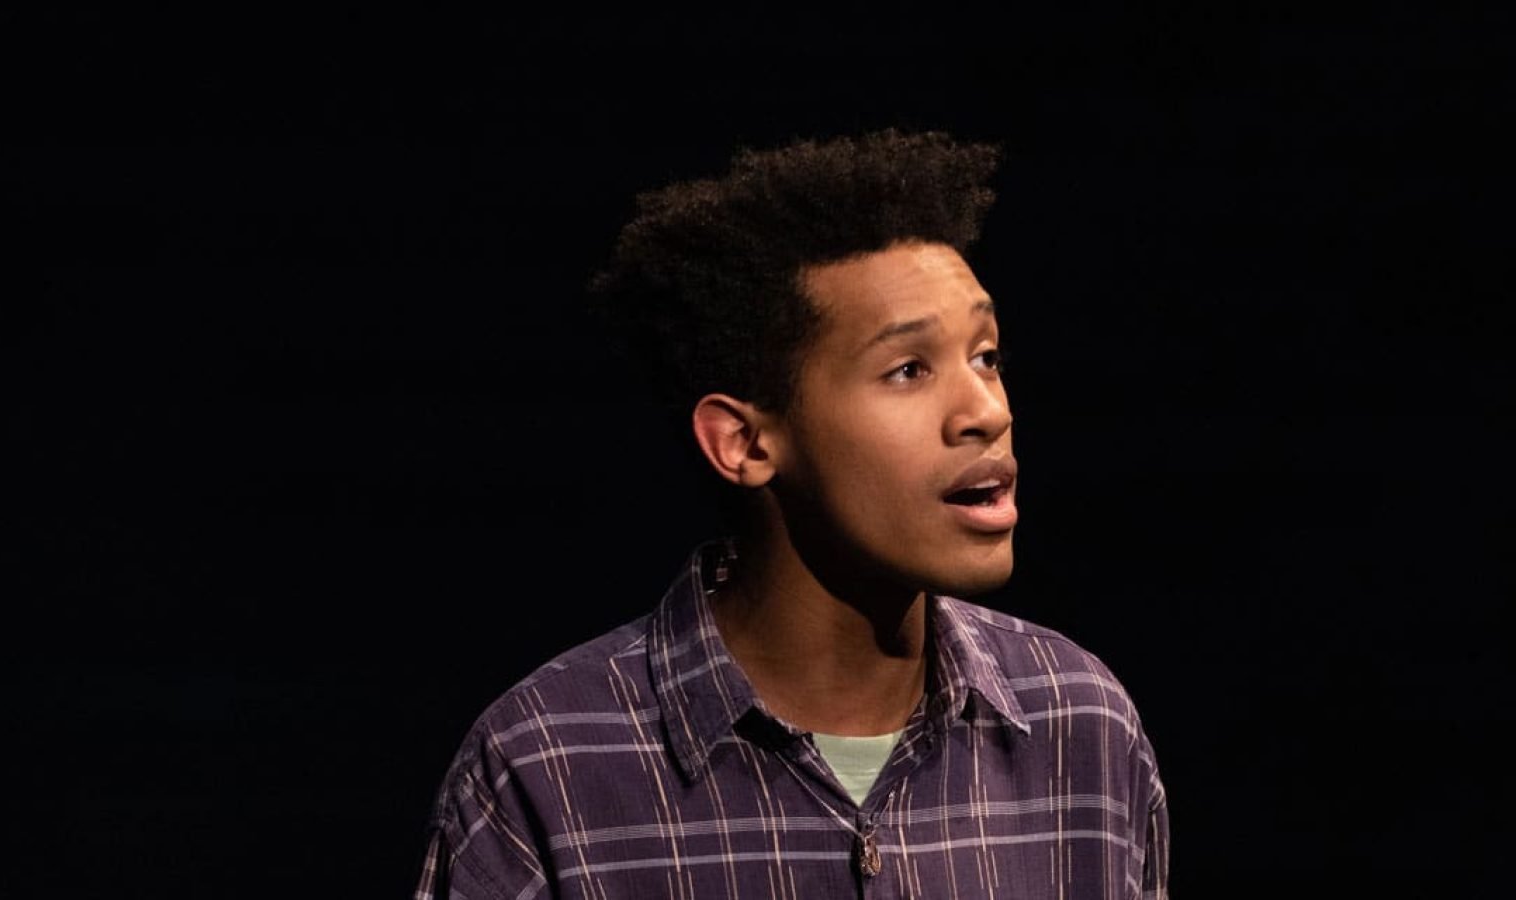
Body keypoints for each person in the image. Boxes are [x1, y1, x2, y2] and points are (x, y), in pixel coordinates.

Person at [413, 128, 1169, 899]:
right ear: (742, 442)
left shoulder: (1082, 725)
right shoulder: (545, 763)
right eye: (909, 369)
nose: (985, 411)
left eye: (987, 356)